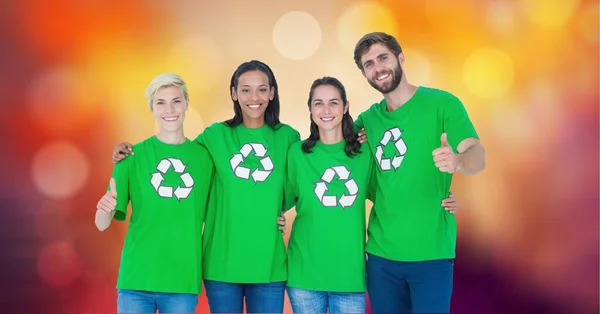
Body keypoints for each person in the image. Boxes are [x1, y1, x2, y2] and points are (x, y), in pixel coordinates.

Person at [111, 60, 298, 313]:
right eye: (245, 89)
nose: (254, 97)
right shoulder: (214, 136)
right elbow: (178, 154)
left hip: (269, 264)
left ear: (272, 92)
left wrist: (279, 212)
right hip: (221, 264)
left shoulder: (288, 137)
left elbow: (301, 181)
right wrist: (126, 152)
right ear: (233, 93)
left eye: (262, 89)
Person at [284, 77, 460, 314]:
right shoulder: (297, 153)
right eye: (318, 103)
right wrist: (275, 215)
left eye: (334, 103)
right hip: (303, 274)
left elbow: (392, 187)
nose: (326, 110)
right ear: (310, 108)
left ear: (346, 107)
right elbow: (281, 197)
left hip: (349, 277)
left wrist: (440, 196)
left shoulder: (364, 152)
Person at [352, 32, 486, 314]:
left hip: (432, 253)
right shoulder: (366, 122)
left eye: (383, 58)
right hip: (381, 256)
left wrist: (458, 161)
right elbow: (335, 164)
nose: (378, 68)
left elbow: (477, 154)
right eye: (369, 64)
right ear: (364, 74)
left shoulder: (442, 105)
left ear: (400, 58)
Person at [95, 73, 214, 314]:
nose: (169, 109)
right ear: (152, 108)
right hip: (136, 281)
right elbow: (101, 225)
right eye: (160, 102)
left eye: (176, 101)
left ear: (187, 103)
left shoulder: (205, 159)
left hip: (182, 281)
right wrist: (103, 209)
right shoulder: (131, 158)